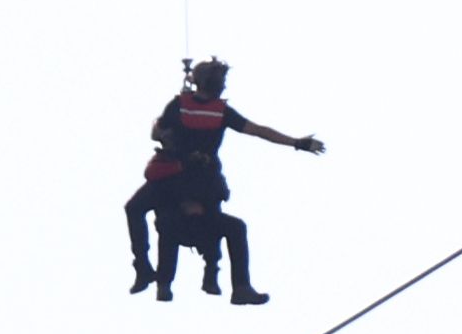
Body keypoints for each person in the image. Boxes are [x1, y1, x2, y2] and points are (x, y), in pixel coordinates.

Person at [124, 58, 322, 305]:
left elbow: (158, 131)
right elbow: (259, 130)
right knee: (228, 227)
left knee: (135, 208)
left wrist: (295, 142)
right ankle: (231, 283)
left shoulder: (182, 106)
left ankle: (147, 268)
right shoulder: (213, 110)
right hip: (190, 179)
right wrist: (296, 142)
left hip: (181, 178)